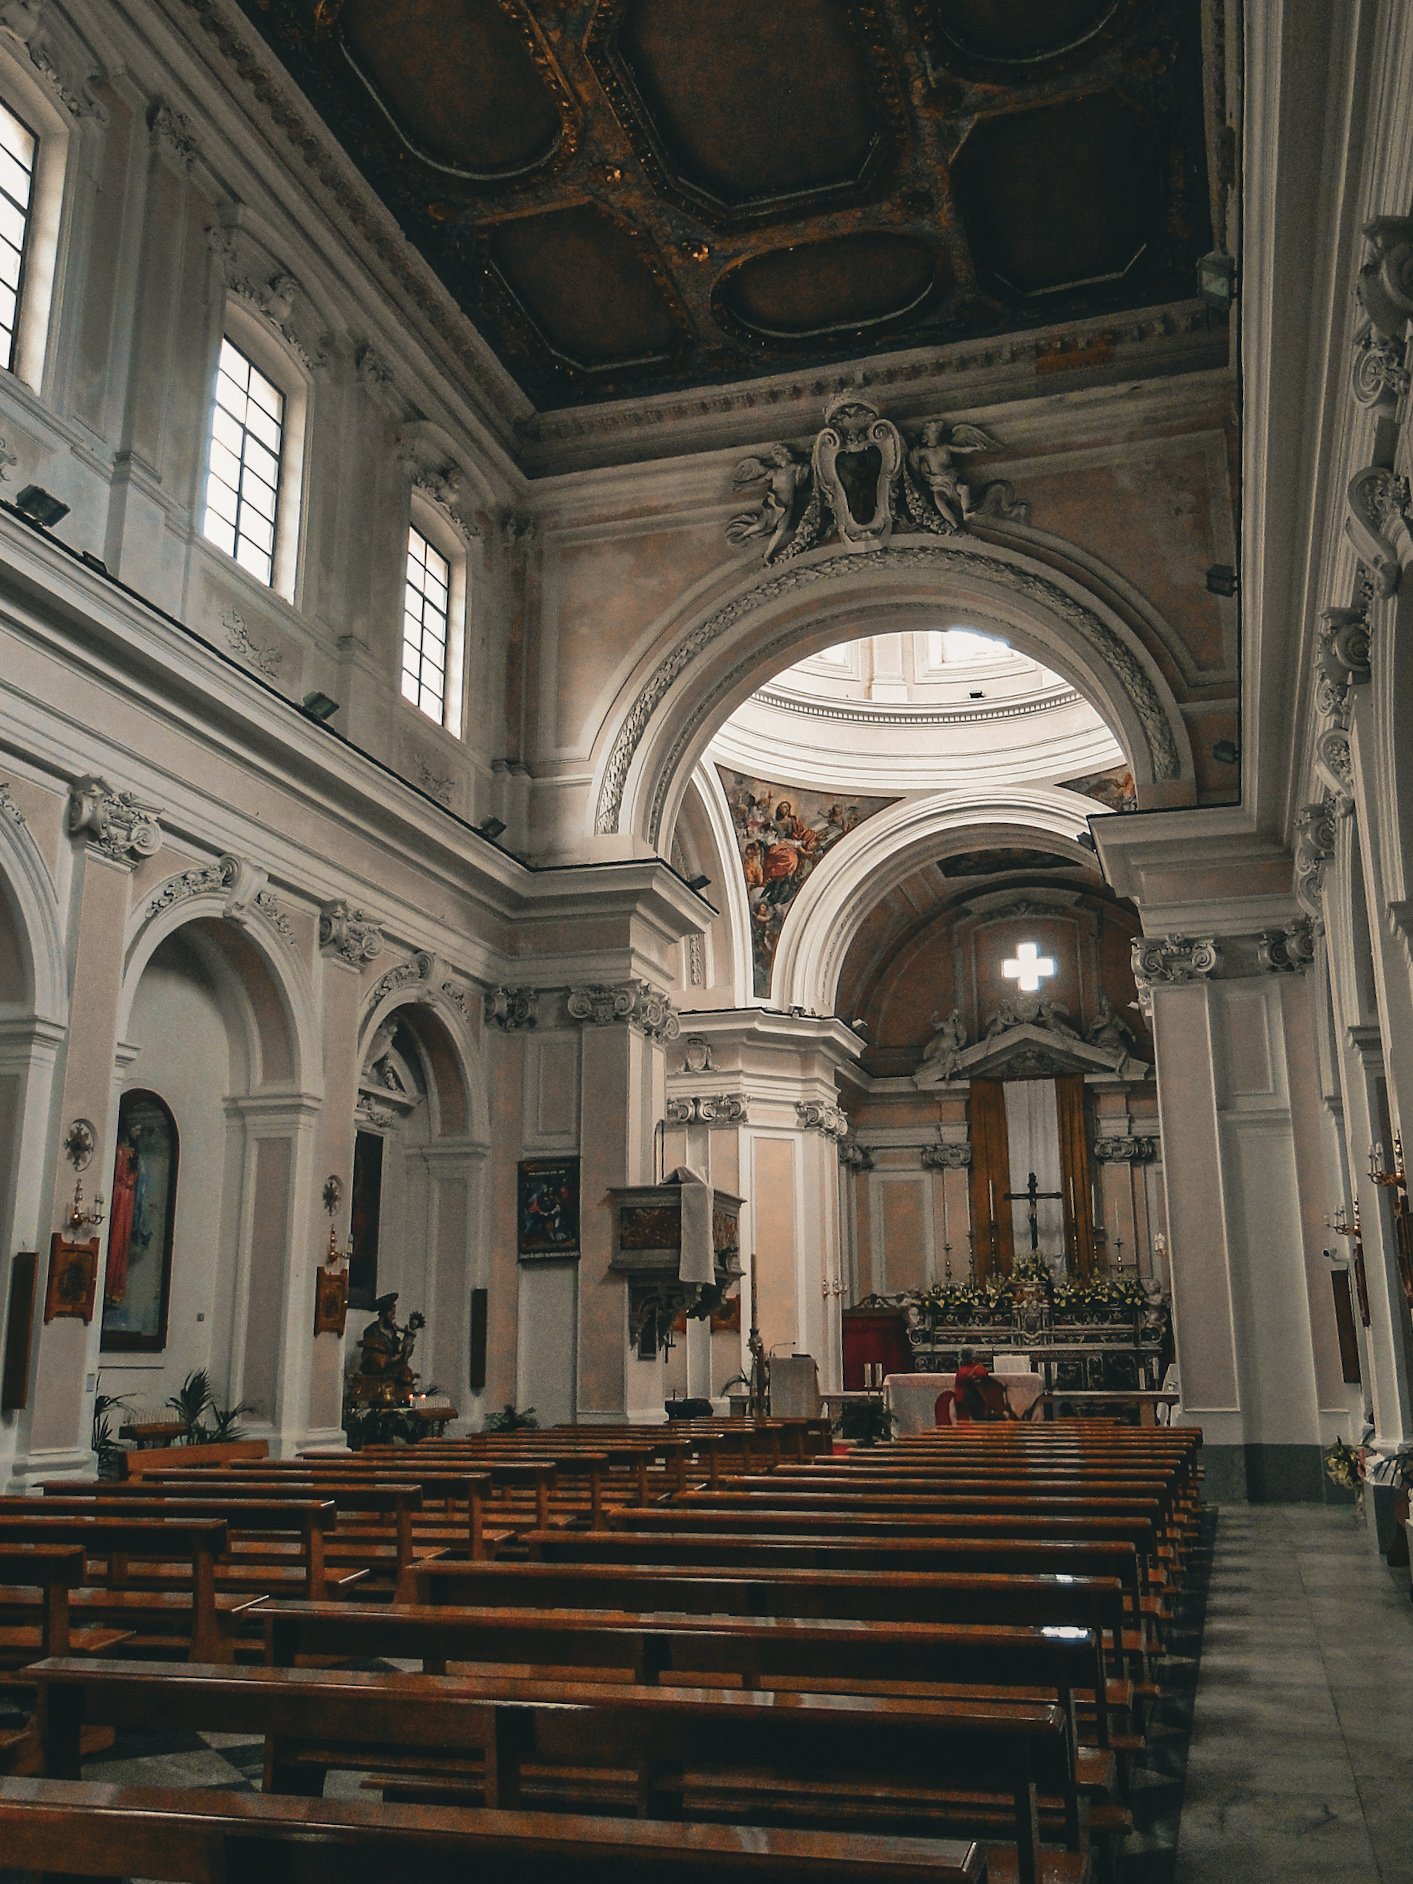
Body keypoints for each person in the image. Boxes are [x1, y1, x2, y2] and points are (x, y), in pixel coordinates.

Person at [953, 1346, 993, 1422]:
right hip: (981, 1405)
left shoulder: (961, 1373)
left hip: (966, 1407)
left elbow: (958, 1394)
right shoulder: (981, 1370)